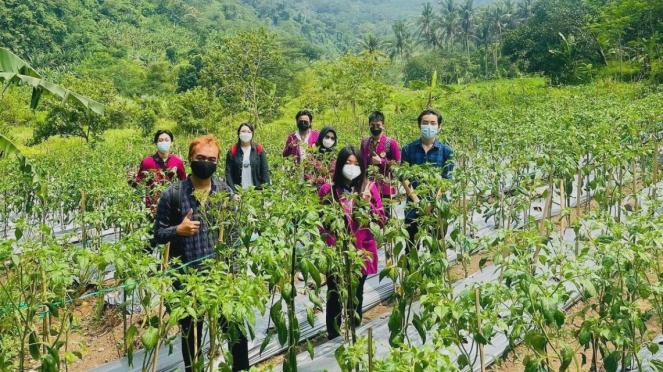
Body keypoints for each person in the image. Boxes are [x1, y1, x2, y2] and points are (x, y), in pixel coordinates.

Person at [154, 136, 248, 372]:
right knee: (192, 341)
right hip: (188, 282)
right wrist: (178, 229)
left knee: (236, 336)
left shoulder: (224, 193)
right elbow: (157, 235)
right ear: (190, 159)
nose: (206, 163)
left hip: (221, 279)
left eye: (211, 159)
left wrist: (233, 273)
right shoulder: (172, 195)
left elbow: (234, 236)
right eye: (200, 158)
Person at [319, 146, 386, 340]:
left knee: (355, 294)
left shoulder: (369, 188)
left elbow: (381, 219)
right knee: (334, 295)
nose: (352, 167)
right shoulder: (328, 190)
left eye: (356, 164)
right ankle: (333, 334)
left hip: (361, 250)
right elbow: (320, 223)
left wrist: (366, 204)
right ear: (340, 165)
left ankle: (354, 330)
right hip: (337, 251)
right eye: (348, 163)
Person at [400, 109, 454, 254]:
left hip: (437, 204)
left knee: (436, 246)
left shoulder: (446, 151)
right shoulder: (408, 149)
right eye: (425, 123)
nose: (429, 126)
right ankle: (412, 274)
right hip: (413, 204)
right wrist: (417, 201)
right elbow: (403, 176)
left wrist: (432, 204)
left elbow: (446, 179)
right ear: (419, 125)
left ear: (439, 127)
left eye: (433, 123)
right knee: (411, 245)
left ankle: (436, 276)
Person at [128, 129, 186, 213]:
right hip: (153, 208)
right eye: (161, 140)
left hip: (173, 207)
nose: (164, 142)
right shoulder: (147, 162)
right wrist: (131, 180)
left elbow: (184, 184)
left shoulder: (178, 162)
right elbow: (138, 185)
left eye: (167, 140)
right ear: (156, 143)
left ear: (171, 143)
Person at [359, 111, 401, 218]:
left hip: (385, 185)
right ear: (369, 125)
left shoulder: (390, 143)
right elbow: (361, 162)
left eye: (378, 125)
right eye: (372, 125)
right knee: (369, 213)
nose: (375, 127)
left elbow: (397, 163)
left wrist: (382, 162)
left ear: (383, 125)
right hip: (369, 185)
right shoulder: (365, 142)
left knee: (385, 215)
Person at [225, 122, 271, 191]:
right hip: (239, 192)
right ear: (239, 133)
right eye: (243, 131)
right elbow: (228, 173)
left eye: (249, 132)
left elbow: (265, 171)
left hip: (256, 192)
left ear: (252, 134)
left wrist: (266, 190)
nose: (246, 134)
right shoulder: (232, 150)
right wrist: (233, 192)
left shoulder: (258, 149)